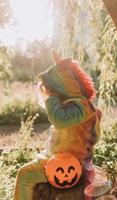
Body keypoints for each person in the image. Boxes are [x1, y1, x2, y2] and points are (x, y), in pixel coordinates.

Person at [13, 50, 102, 200]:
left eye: (49, 89)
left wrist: (52, 98)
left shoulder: (80, 107)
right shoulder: (83, 104)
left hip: (68, 164)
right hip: (66, 157)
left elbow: (59, 120)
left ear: (59, 86)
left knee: (24, 175)